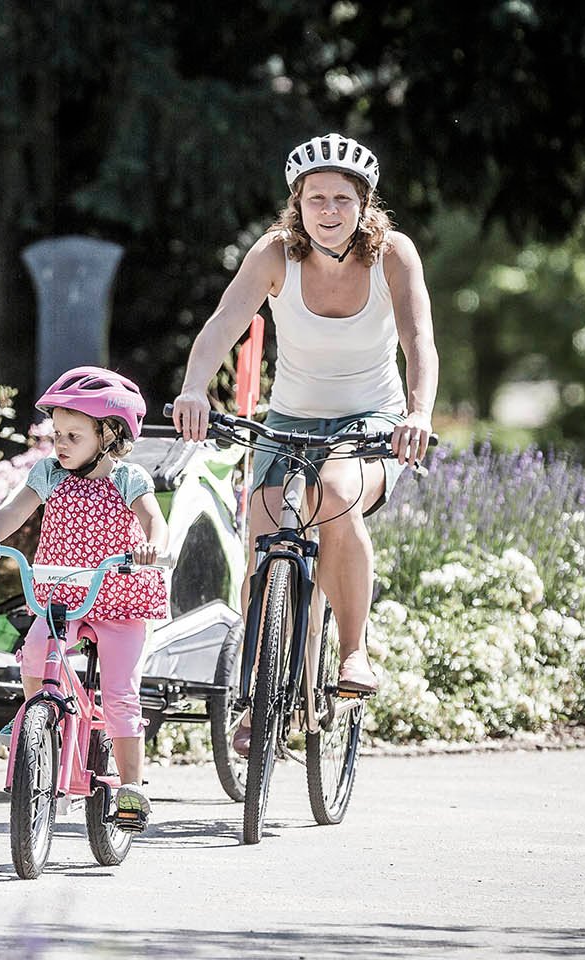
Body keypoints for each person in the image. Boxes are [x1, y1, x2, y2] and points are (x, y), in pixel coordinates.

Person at [171, 132, 438, 755]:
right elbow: (220, 327)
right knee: (263, 540)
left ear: (364, 204)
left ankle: (353, 653)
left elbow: (418, 341)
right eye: (315, 198)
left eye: (342, 199)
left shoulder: (393, 256)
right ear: (297, 203)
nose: (328, 210)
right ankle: (259, 691)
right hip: (289, 420)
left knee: (338, 493)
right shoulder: (274, 254)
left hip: (371, 422)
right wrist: (191, 390)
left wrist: (419, 412)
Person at [0, 367, 169, 832]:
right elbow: (15, 510)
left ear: (109, 434)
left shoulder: (128, 477)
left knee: (120, 694)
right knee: (35, 649)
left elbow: (153, 518)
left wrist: (153, 546)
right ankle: (35, 719)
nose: (60, 443)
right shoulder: (48, 474)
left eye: (73, 435)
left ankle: (132, 787)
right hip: (63, 594)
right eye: (57, 433)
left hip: (121, 598)